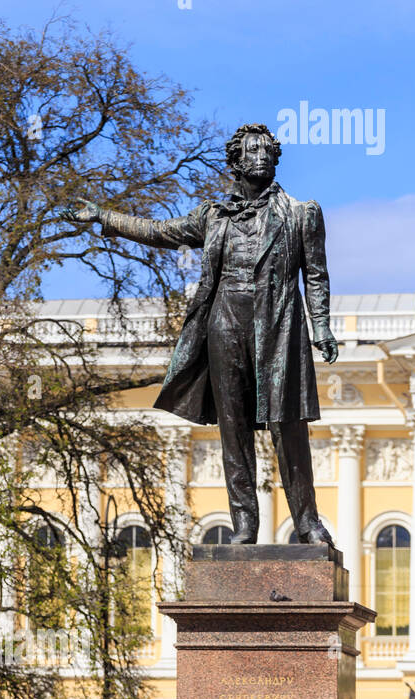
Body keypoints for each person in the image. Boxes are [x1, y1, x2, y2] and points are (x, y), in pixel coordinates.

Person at [64, 123, 338, 545]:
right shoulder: (212, 217)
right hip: (224, 324)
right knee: (234, 426)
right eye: (251, 150)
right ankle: (244, 523)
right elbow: (160, 232)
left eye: (267, 149)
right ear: (235, 163)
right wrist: (106, 217)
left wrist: (320, 325)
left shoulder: (302, 213)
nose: (261, 155)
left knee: (289, 426)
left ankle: (307, 522)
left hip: (279, 325)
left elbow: (316, 276)